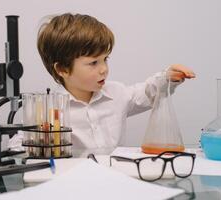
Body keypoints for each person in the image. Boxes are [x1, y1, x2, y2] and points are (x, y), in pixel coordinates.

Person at [37, 13, 195, 153]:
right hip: (75, 180)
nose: (104, 69)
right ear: (63, 69)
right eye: (93, 63)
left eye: (105, 59)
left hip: (115, 177)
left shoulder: (117, 93)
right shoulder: (49, 110)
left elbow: (147, 91)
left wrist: (167, 77)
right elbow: (21, 143)